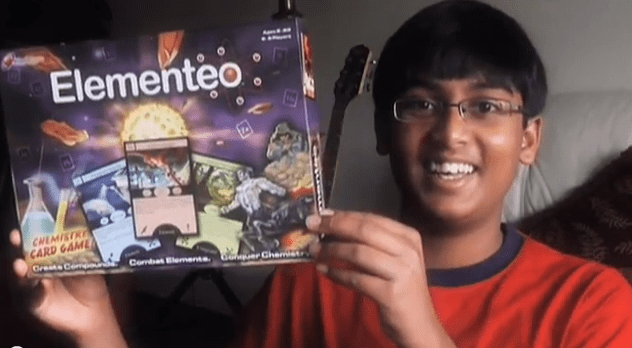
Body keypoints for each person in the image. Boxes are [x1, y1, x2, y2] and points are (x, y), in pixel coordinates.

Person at [8, 0, 632, 347]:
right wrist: (94, 326)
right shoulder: (309, 280)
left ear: (529, 139)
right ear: (386, 134)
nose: (450, 131)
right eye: (420, 104)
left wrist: (418, 326)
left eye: (487, 106)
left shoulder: (595, 306)